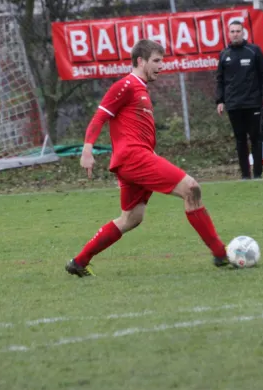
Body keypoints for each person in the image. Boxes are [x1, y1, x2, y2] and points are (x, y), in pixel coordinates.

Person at [65, 39, 230, 277]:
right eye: (156, 61)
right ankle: (220, 254)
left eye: (162, 60)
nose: (161, 66)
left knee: (131, 218)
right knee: (191, 189)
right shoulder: (126, 85)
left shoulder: (141, 89)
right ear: (140, 61)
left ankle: (79, 262)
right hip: (134, 158)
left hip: (135, 159)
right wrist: (87, 150)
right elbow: (99, 117)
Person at [216, 20, 263, 179]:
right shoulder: (224, 54)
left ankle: (258, 174)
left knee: (256, 138)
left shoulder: (253, 51)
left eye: (238, 31)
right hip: (234, 105)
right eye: (232, 31)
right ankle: (245, 175)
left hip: (253, 102)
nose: (235, 34)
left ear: (243, 33)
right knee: (240, 140)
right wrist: (220, 101)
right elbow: (220, 80)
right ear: (228, 34)